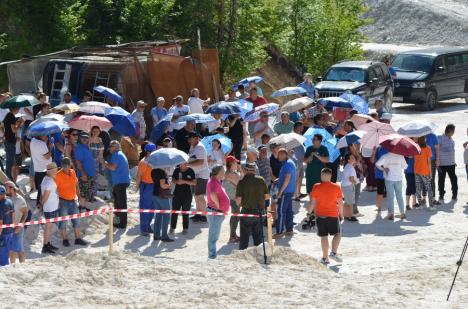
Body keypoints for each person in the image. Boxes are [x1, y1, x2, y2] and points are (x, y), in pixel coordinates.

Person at [307, 168, 343, 265]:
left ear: (321, 176)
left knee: (324, 237)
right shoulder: (337, 187)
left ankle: (325, 258)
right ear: (330, 176)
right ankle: (334, 252)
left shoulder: (316, 187)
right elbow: (340, 203)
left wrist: (308, 214)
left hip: (320, 216)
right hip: (333, 215)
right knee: (338, 234)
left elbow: (312, 202)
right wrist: (341, 214)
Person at [55, 157, 88, 247]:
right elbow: (55, 189)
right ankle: (64, 239)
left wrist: (79, 196)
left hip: (73, 201)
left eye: (67, 166)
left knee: (76, 221)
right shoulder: (58, 175)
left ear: (70, 165)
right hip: (63, 202)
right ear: (62, 166)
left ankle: (78, 239)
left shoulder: (73, 172)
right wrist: (56, 201)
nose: (65, 168)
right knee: (63, 222)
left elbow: (76, 185)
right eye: (64, 166)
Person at [235, 162, 270, 250]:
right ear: (255, 170)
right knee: (258, 238)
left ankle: (243, 257)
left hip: (246, 212)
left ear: (246, 170)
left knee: (244, 238)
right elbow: (267, 197)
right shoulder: (261, 180)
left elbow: (238, 202)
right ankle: (259, 255)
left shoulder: (242, 182)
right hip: (259, 212)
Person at [104, 140, 131, 229]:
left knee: (121, 203)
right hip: (121, 181)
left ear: (115, 147)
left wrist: (104, 163)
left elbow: (113, 167)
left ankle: (122, 223)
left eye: (110, 147)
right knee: (118, 203)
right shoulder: (119, 154)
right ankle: (120, 221)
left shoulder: (116, 155)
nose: (108, 149)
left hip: (120, 182)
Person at [206, 165, 230, 259]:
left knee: (214, 234)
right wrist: (219, 205)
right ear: (219, 173)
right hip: (215, 212)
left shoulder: (216, 181)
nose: (224, 173)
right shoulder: (213, 182)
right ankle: (212, 255)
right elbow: (212, 194)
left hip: (217, 212)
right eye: (223, 171)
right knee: (213, 235)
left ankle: (212, 254)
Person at [376, 152, 408, 220]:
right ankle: (402, 213)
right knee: (399, 196)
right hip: (398, 178)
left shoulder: (385, 156)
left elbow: (377, 164)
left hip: (389, 178)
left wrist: (383, 169)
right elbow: (405, 166)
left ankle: (391, 214)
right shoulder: (401, 156)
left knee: (390, 197)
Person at [187, 132, 211, 223]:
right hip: (196, 174)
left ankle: (204, 216)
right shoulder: (193, 146)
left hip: (202, 174)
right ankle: (198, 214)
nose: (189, 140)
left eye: (190, 138)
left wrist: (187, 165)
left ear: (196, 138)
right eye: (188, 138)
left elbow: (200, 162)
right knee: (196, 196)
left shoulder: (200, 147)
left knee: (200, 196)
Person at [274, 148, 297, 238]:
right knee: (288, 211)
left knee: (281, 211)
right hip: (289, 191)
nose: (278, 156)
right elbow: (288, 177)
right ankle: (289, 230)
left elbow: (287, 178)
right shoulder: (289, 163)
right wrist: (279, 179)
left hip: (285, 192)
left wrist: (280, 192)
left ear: (285, 155)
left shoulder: (287, 164)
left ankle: (279, 232)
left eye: (280, 154)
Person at [135, 143, 156, 236]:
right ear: (146, 152)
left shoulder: (156, 161)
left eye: (152, 151)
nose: (151, 153)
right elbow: (139, 176)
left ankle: (147, 226)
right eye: (150, 151)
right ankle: (144, 228)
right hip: (146, 186)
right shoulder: (143, 162)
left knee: (152, 207)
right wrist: (137, 186)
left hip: (153, 186)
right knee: (145, 207)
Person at [170, 162, 196, 234]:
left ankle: (185, 228)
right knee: (174, 211)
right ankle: (172, 228)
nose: (180, 165)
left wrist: (184, 181)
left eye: (182, 163)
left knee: (185, 212)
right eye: (180, 164)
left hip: (187, 194)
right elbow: (173, 180)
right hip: (177, 193)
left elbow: (194, 182)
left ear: (186, 163)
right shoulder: (176, 170)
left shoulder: (190, 170)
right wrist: (177, 181)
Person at [4, 181, 27, 263]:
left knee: (19, 248)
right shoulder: (5, 198)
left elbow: (25, 214)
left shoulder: (20, 200)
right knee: (10, 249)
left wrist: (20, 226)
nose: (4, 190)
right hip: (7, 228)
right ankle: (12, 266)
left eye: (5, 188)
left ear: (11, 188)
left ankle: (23, 265)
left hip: (17, 228)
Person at [40, 162, 60, 254]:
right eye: (55, 170)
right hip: (50, 208)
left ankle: (47, 244)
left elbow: (43, 194)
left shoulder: (46, 179)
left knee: (49, 227)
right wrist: (41, 204)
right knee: (48, 227)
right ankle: (45, 246)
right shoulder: (49, 181)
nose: (56, 172)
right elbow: (45, 196)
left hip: (50, 207)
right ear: (51, 171)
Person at [151, 167, 174, 242]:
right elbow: (162, 185)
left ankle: (156, 235)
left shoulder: (153, 171)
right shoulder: (161, 172)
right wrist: (169, 185)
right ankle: (164, 236)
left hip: (155, 194)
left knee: (158, 215)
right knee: (166, 216)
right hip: (162, 196)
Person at [224, 156, 242, 243]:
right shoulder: (230, 174)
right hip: (234, 198)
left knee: (236, 216)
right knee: (236, 216)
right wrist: (241, 171)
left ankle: (233, 235)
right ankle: (232, 236)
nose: (237, 164)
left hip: (234, 198)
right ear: (231, 164)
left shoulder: (231, 173)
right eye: (235, 163)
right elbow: (240, 184)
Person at [74, 132, 97, 202]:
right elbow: (78, 162)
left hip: (91, 174)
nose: (85, 139)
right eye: (83, 137)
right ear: (80, 139)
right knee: (83, 195)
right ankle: (82, 209)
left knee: (90, 195)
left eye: (86, 138)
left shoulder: (88, 147)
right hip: (84, 175)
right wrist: (83, 173)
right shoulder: (79, 148)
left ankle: (88, 211)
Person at [438, 124, 458, 202]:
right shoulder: (440, 138)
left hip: (451, 164)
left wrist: (454, 161)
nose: (454, 133)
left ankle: (454, 194)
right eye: (453, 131)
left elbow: (452, 151)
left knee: (454, 179)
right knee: (441, 180)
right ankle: (441, 195)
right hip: (442, 164)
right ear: (450, 131)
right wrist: (437, 161)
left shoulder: (451, 139)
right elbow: (437, 150)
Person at [414, 136, 435, 210]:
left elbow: (412, 157)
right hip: (425, 171)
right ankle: (431, 206)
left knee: (418, 188)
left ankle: (420, 205)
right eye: (425, 138)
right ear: (424, 139)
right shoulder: (427, 148)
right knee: (429, 188)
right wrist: (430, 173)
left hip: (417, 170)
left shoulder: (415, 147)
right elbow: (429, 162)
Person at [31, 135, 53, 206]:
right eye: (45, 135)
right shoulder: (41, 144)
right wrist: (50, 147)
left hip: (38, 168)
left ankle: (39, 204)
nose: (47, 136)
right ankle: (40, 205)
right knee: (43, 189)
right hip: (44, 169)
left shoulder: (33, 140)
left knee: (41, 188)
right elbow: (48, 157)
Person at [3, 107, 23, 180]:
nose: (19, 109)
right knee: (10, 163)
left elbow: (2, 126)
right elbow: (14, 130)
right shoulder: (11, 116)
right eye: (18, 108)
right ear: (15, 108)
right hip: (10, 142)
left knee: (11, 162)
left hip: (9, 141)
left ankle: (9, 178)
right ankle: (8, 179)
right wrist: (20, 123)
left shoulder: (8, 115)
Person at [341, 154, 359, 222]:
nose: (354, 158)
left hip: (344, 186)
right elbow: (351, 179)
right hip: (348, 186)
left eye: (353, 157)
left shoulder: (347, 166)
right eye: (352, 158)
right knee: (350, 203)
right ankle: (350, 216)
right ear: (348, 160)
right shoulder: (351, 168)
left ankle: (345, 215)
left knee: (346, 202)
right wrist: (356, 182)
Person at [0, 185, 15, 266]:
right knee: (7, 252)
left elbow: (0, 223)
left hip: (3, 233)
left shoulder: (0, 205)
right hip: (10, 232)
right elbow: (13, 216)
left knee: (2, 257)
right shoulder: (10, 201)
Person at [292, 122, 307, 201]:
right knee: (295, 178)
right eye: (301, 127)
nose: (302, 128)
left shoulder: (300, 136)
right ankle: (294, 195)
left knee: (300, 177)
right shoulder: (292, 137)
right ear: (297, 127)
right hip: (295, 162)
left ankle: (299, 193)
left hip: (301, 161)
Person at [372, 145, 389, 211]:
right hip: (379, 174)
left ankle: (389, 208)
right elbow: (372, 161)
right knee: (380, 191)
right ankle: (379, 207)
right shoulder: (377, 148)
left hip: (388, 173)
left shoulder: (390, 148)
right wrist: (373, 152)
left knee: (389, 192)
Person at [425, 133, 440, 205]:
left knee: (432, 179)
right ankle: (424, 198)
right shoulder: (419, 136)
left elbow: (437, 148)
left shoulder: (433, 136)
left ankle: (433, 198)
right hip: (422, 161)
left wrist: (437, 159)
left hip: (432, 160)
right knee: (423, 180)